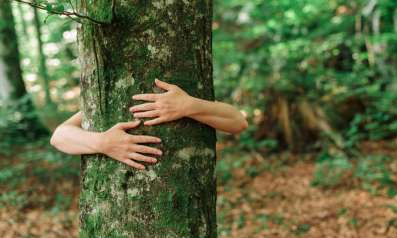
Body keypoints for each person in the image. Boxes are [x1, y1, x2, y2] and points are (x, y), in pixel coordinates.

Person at [50, 78, 248, 170]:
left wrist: (189, 105)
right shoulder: (105, 101)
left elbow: (238, 122)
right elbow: (59, 137)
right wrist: (103, 142)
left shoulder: (179, 96)